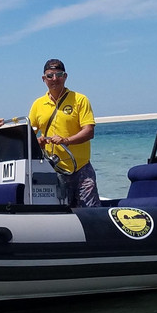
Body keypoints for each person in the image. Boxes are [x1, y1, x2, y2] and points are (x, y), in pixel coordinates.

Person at [28, 58, 100, 207]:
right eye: (50, 76)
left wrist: (66, 140)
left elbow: (89, 131)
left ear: (65, 77)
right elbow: (29, 135)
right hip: (53, 170)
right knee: (59, 214)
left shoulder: (80, 100)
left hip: (81, 168)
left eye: (59, 75)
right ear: (44, 79)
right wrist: (38, 143)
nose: (55, 79)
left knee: (91, 212)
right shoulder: (37, 105)